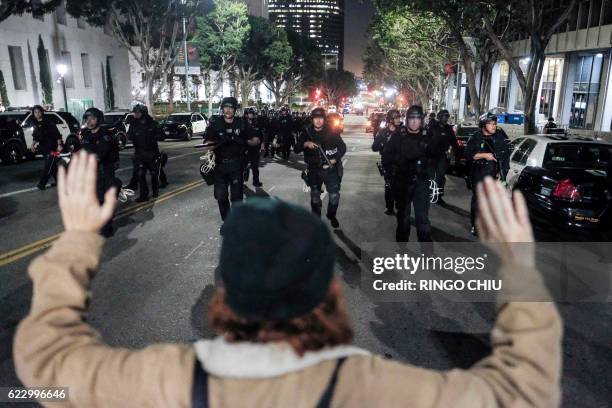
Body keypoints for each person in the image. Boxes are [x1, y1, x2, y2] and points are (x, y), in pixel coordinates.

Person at [14, 151, 562, 407]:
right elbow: (524, 391)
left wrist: (78, 239)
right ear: (329, 291)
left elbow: (45, 371)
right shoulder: (382, 391)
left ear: (223, 292)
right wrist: (517, 267)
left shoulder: (157, 382)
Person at [386, 105, 439, 242]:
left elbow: (436, 157)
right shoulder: (398, 136)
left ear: (421, 120)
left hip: (421, 182)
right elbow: (386, 156)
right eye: (411, 118)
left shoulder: (428, 136)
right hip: (402, 182)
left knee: (422, 219)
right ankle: (402, 247)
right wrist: (394, 170)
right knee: (403, 219)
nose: (414, 122)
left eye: (417, 118)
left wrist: (429, 170)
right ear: (407, 119)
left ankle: (427, 251)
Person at [295, 108, 346, 228]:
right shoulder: (306, 132)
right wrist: (305, 144)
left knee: (334, 196)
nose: (318, 121)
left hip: (330, 169)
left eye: (321, 118)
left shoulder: (332, 131)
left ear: (324, 119)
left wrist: (334, 159)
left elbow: (343, 147)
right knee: (315, 197)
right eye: (315, 118)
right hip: (314, 169)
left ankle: (331, 215)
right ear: (312, 119)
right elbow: (296, 148)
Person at [465, 112, 511, 236]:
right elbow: (469, 154)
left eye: (495, 124)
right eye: (490, 123)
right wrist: (485, 155)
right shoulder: (476, 137)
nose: (493, 126)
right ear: (483, 124)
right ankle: (476, 225)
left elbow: (506, 156)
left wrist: (503, 174)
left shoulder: (499, 137)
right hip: (478, 174)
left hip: (493, 174)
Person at [205, 97, 250, 220]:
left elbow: (253, 139)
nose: (228, 110)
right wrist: (214, 144)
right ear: (222, 108)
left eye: (231, 107)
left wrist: (241, 140)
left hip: (236, 165)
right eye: (225, 107)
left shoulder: (241, 123)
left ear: (235, 109)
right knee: (221, 196)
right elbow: (208, 142)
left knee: (236, 198)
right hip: (220, 165)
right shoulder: (215, 123)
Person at [79, 107, 121, 237]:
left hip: (104, 171)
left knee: (103, 199)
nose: (89, 121)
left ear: (99, 119)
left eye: (92, 118)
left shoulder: (105, 136)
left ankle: (107, 227)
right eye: (87, 118)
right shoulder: (85, 134)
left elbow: (99, 156)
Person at [372, 109, 402, 215]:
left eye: (399, 117)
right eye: (396, 118)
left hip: (401, 164)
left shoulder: (402, 131)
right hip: (388, 164)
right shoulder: (383, 132)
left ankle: (400, 206)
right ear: (390, 120)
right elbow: (374, 147)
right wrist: (383, 146)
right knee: (389, 186)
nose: (399, 119)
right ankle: (389, 207)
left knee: (400, 187)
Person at [128, 104, 161, 203]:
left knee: (154, 174)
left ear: (143, 113)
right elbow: (130, 137)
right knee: (140, 175)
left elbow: (160, 135)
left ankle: (155, 190)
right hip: (139, 154)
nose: (136, 114)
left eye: (137, 112)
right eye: (135, 112)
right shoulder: (133, 124)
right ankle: (144, 195)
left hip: (152, 154)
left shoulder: (152, 123)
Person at [430, 109, 459, 205]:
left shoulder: (448, 129)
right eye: (444, 116)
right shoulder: (432, 127)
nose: (446, 118)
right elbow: (425, 141)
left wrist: (457, 153)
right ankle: (429, 194)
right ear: (439, 117)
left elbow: (454, 142)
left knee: (440, 177)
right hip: (432, 156)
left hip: (442, 156)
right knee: (429, 176)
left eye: (447, 116)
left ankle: (438, 196)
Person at [31, 105, 63, 190]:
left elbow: (57, 134)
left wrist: (59, 145)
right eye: (35, 112)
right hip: (44, 148)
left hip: (53, 147)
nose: (37, 114)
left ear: (42, 112)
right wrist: (32, 145)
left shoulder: (48, 122)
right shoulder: (36, 124)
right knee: (52, 166)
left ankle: (42, 184)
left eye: (39, 112)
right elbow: (36, 136)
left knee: (48, 166)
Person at [243, 107, 263, 188]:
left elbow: (260, 135)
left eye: (252, 114)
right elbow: (240, 137)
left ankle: (256, 181)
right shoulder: (242, 124)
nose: (251, 115)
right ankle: (243, 183)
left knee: (255, 167)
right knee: (245, 167)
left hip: (255, 149)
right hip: (245, 149)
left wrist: (261, 143)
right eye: (250, 113)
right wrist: (247, 142)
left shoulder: (256, 123)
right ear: (246, 114)